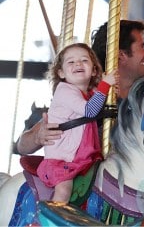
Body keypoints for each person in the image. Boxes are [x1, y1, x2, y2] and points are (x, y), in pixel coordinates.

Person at [17, 20, 144, 155]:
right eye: (142, 46)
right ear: (122, 55)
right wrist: (38, 136)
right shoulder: (86, 96)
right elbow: (22, 145)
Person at [36, 43, 118, 202]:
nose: (78, 64)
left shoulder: (84, 94)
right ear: (61, 72)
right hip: (61, 160)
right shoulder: (64, 91)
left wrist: (107, 92)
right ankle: (49, 221)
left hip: (80, 158)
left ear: (94, 70)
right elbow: (90, 111)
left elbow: (94, 101)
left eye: (84, 60)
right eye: (71, 62)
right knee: (64, 190)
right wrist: (105, 84)